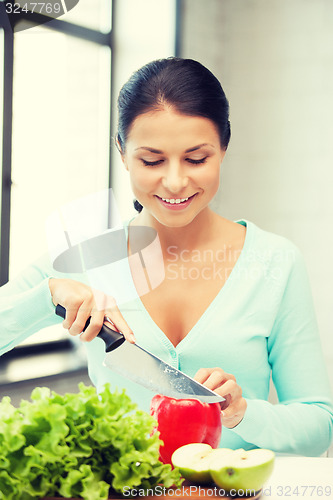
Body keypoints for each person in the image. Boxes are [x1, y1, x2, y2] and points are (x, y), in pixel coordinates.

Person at [0, 57, 332, 456]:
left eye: (196, 159)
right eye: (152, 160)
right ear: (122, 153)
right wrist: (47, 294)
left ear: (224, 148)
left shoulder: (276, 261)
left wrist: (245, 413)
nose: (175, 181)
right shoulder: (84, 255)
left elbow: (318, 427)